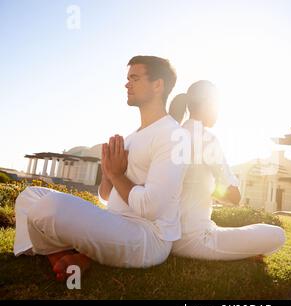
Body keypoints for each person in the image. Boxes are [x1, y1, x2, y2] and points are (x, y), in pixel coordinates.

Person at [13, 55, 186, 281]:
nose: (127, 84)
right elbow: (106, 195)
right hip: (112, 223)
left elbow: (151, 208)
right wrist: (108, 172)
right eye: (127, 78)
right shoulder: (132, 137)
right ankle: (66, 254)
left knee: (49, 207)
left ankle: (70, 252)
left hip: (147, 237)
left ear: (158, 85)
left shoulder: (173, 135)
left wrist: (116, 174)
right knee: (29, 196)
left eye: (134, 78)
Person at [168, 80, 285, 261]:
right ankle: (244, 253)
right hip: (196, 240)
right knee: (277, 234)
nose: (218, 111)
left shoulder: (173, 134)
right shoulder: (207, 139)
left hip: (169, 238)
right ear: (207, 103)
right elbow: (234, 197)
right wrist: (214, 190)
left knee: (222, 231)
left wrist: (207, 188)